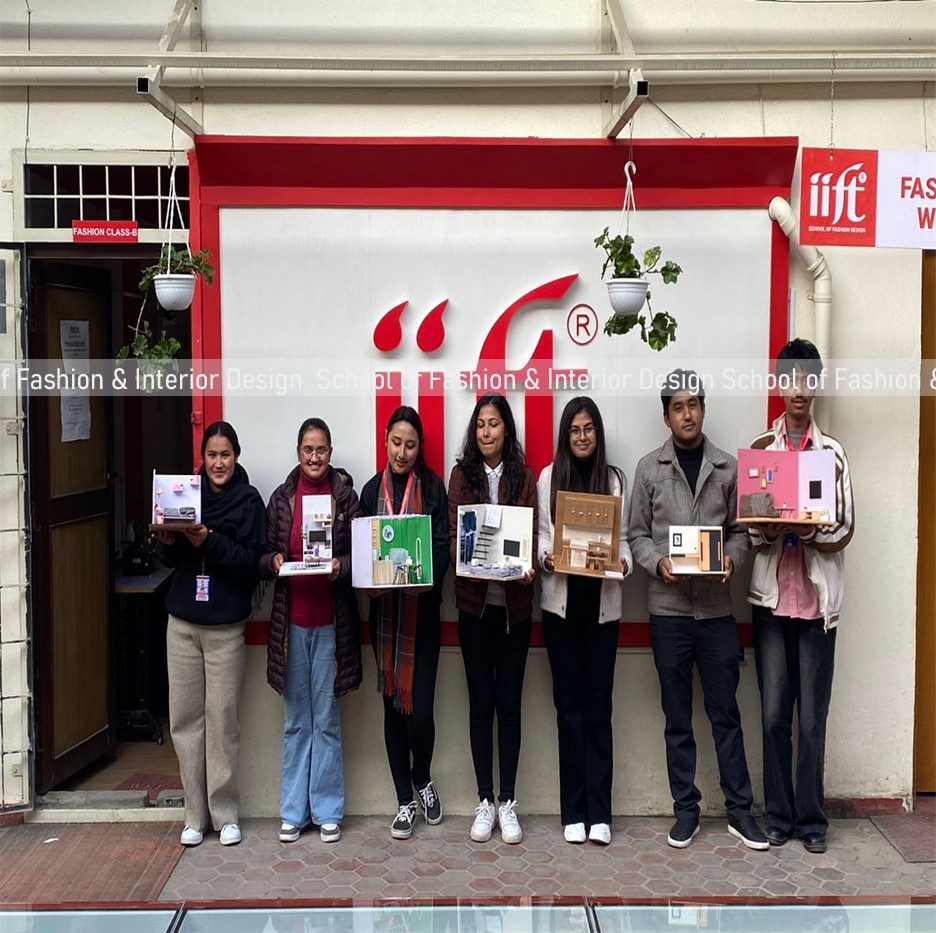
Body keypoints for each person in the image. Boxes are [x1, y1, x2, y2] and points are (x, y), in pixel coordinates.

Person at [628, 371, 767, 851]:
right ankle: (685, 811)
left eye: (694, 405)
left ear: (703, 409)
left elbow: (743, 532)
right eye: (678, 407)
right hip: (667, 612)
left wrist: (732, 560)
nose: (687, 414)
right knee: (677, 719)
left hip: (715, 612)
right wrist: (658, 562)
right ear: (666, 416)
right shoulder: (649, 469)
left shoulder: (728, 468)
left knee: (726, 714)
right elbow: (636, 535)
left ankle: (740, 812)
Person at [748, 339, 854, 854]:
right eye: (790, 379)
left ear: (815, 386)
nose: (798, 389)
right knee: (773, 716)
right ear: (779, 384)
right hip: (772, 603)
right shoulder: (761, 450)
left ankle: (811, 820)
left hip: (816, 608)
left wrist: (811, 530)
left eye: (807, 379)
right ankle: (778, 816)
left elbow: (846, 526)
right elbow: (750, 529)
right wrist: (769, 527)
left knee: (812, 720)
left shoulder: (831, 454)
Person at [153, 421, 266, 848]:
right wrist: (167, 540)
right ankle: (194, 816)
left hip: (225, 629)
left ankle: (226, 814)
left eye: (226, 455)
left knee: (222, 721)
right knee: (185, 721)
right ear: (202, 458)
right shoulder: (184, 494)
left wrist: (209, 541)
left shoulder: (248, 501)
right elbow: (169, 559)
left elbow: (250, 564)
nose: (218, 463)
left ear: (237, 456)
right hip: (181, 624)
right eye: (212, 455)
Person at [260, 418, 363, 845]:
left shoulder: (346, 498)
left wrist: (342, 565)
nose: (315, 457)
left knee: (326, 722)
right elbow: (264, 553)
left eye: (321, 450)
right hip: (291, 626)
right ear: (298, 452)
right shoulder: (282, 498)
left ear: (331, 452)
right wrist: (274, 562)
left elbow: (363, 553)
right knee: (296, 723)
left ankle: (327, 811)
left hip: (331, 627)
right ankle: (292, 813)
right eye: (308, 449)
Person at [537, 396, 633, 846]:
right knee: (568, 709)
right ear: (565, 435)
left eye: (589, 428)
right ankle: (573, 812)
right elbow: (541, 538)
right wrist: (547, 558)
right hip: (561, 610)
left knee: (599, 709)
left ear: (598, 433)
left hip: (602, 610)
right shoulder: (547, 478)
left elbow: (625, 541)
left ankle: (600, 813)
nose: (582, 436)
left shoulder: (614, 480)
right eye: (574, 430)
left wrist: (625, 563)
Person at [447, 394, 538, 845]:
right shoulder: (461, 476)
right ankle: (484, 800)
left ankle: (508, 802)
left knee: (510, 705)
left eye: (494, 424)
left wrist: (528, 567)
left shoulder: (524, 476)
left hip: (515, 610)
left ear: (507, 429)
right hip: (475, 609)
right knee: (481, 704)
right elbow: (452, 537)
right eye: (480, 424)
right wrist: (466, 558)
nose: (486, 432)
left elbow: (532, 534)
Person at [359, 406, 450, 840]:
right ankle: (403, 801)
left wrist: (425, 576)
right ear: (385, 441)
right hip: (383, 619)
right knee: (393, 710)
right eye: (396, 442)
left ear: (419, 448)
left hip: (422, 618)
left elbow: (442, 547)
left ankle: (423, 777)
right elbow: (362, 549)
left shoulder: (433, 488)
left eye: (410, 445)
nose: (402, 452)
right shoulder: (370, 490)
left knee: (420, 713)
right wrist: (369, 580)